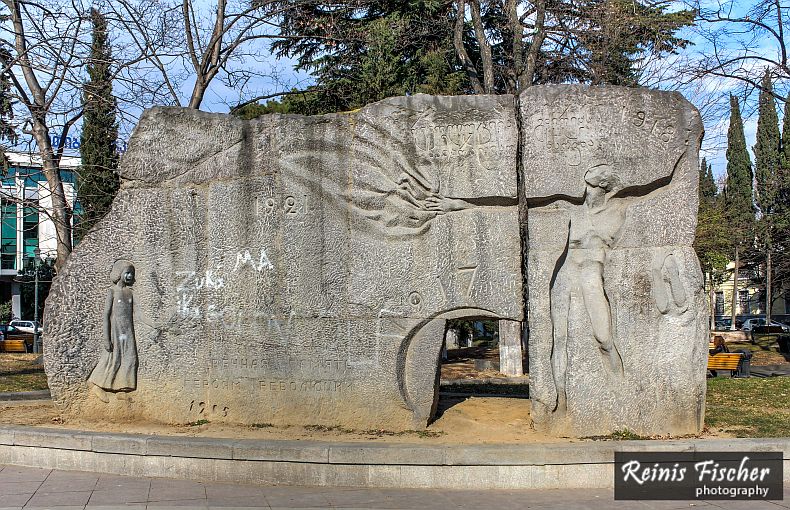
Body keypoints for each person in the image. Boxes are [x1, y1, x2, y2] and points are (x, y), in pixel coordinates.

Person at [88, 260, 138, 403]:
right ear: (119, 273)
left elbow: (138, 314)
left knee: (130, 359)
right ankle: (97, 385)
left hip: (128, 332)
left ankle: (122, 388)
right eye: (127, 273)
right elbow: (106, 315)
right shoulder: (112, 292)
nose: (129, 276)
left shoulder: (130, 293)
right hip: (115, 331)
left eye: (131, 274)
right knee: (113, 360)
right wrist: (106, 338)